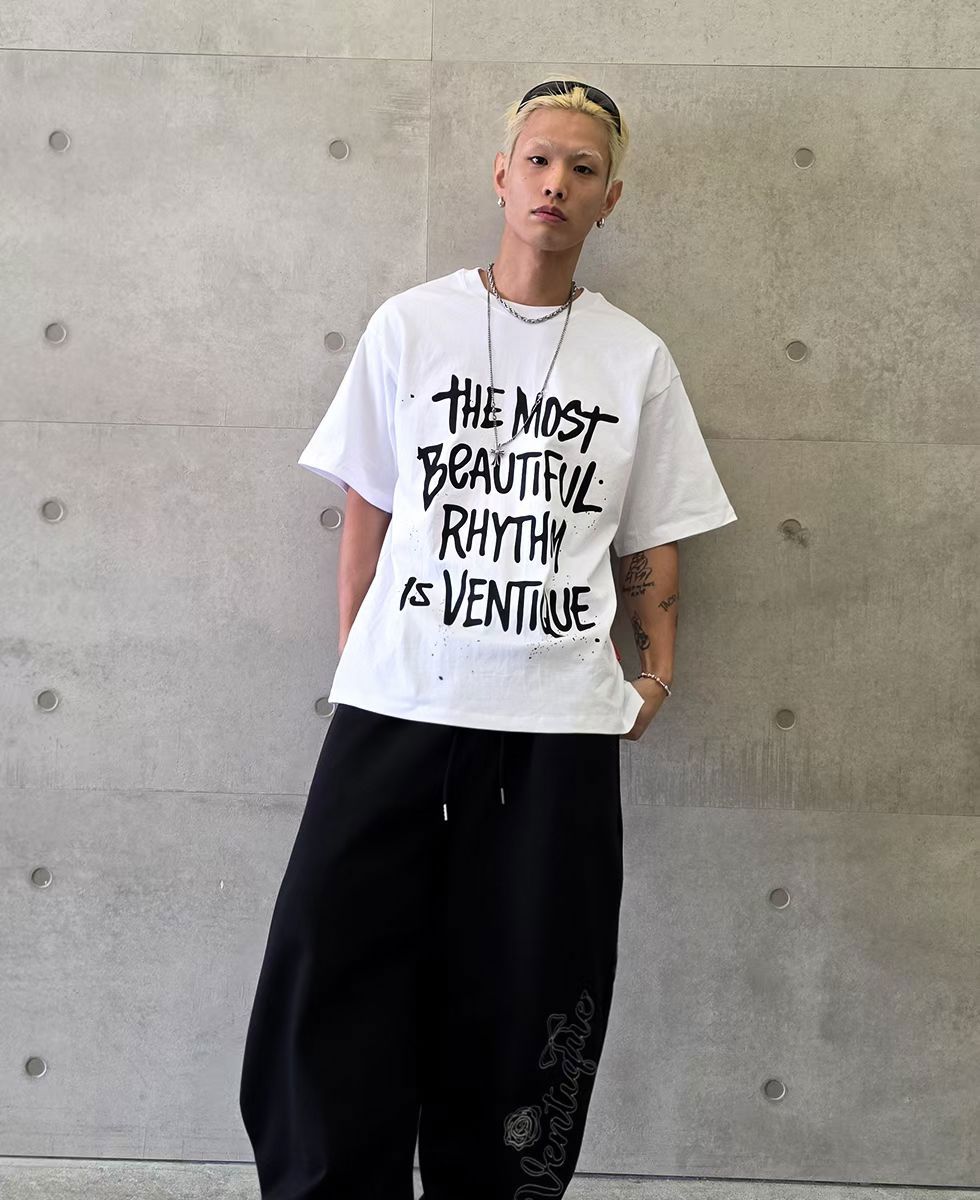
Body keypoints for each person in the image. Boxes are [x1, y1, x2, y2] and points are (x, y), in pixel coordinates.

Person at [239, 80, 737, 1199]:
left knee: (529, 986)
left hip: (556, 721)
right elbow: (367, 513)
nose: (557, 184)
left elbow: (652, 536)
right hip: (397, 706)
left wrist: (655, 677)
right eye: (539, 160)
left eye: (583, 170)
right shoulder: (410, 326)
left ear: (609, 200)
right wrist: (361, 658)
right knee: (332, 963)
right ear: (502, 177)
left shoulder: (633, 358)